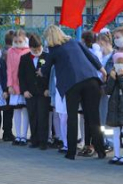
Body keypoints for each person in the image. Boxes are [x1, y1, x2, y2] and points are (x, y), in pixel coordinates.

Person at [40, 25, 107, 160]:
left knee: (72, 117)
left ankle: (71, 153)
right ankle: (101, 151)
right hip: (91, 80)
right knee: (94, 118)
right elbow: (91, 56)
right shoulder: (75, 42)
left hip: (71, 85)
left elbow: (46, 70)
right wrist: (102, 70)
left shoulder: (53, 50)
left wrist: (40, 71)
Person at [20, 34, 50, 150]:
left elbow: (50, 75)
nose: (37, 51)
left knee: (43, 116)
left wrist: (48, 88)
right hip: (30, 92)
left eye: (38, 49)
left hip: (43, 92)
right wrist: (24, 90)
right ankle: (34, 139)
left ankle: (44, 141)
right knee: (32, 115)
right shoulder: (24, 58)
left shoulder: (47, 57)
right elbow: (21, 76)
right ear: (30, 48)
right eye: (34, 50)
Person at [5, 30, 31, 146]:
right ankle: (18, 135)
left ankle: (24, 136)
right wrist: (9, 85)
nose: (18, 43)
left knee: (25, 110)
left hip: (25, 85)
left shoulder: (29, 50)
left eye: (20, 41)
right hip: (15, 85)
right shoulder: (11, 51)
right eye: (16, 41)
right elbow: (9, 69)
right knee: (16, 110)